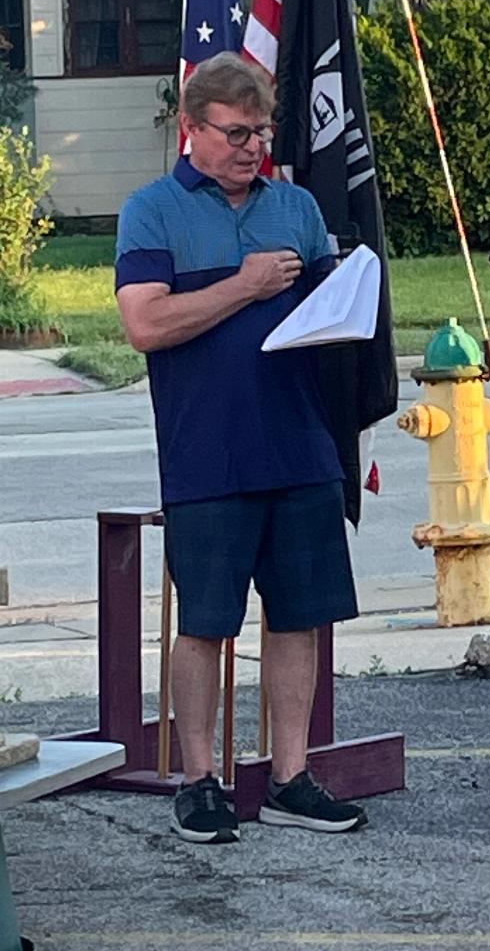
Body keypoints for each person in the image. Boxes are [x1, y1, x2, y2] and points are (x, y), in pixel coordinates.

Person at [115, 52, 366, 844]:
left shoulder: (293, 206)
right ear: (192, 129)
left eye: (260, 132)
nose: (251, 146)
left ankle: (290, 776)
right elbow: (146, 325)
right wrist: (245, 286)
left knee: (299, 618)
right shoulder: (151, 210)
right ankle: (199, 780)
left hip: (300, 444)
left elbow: (334, 314)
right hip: (207, 453)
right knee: (208, 621)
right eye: (234, 133)